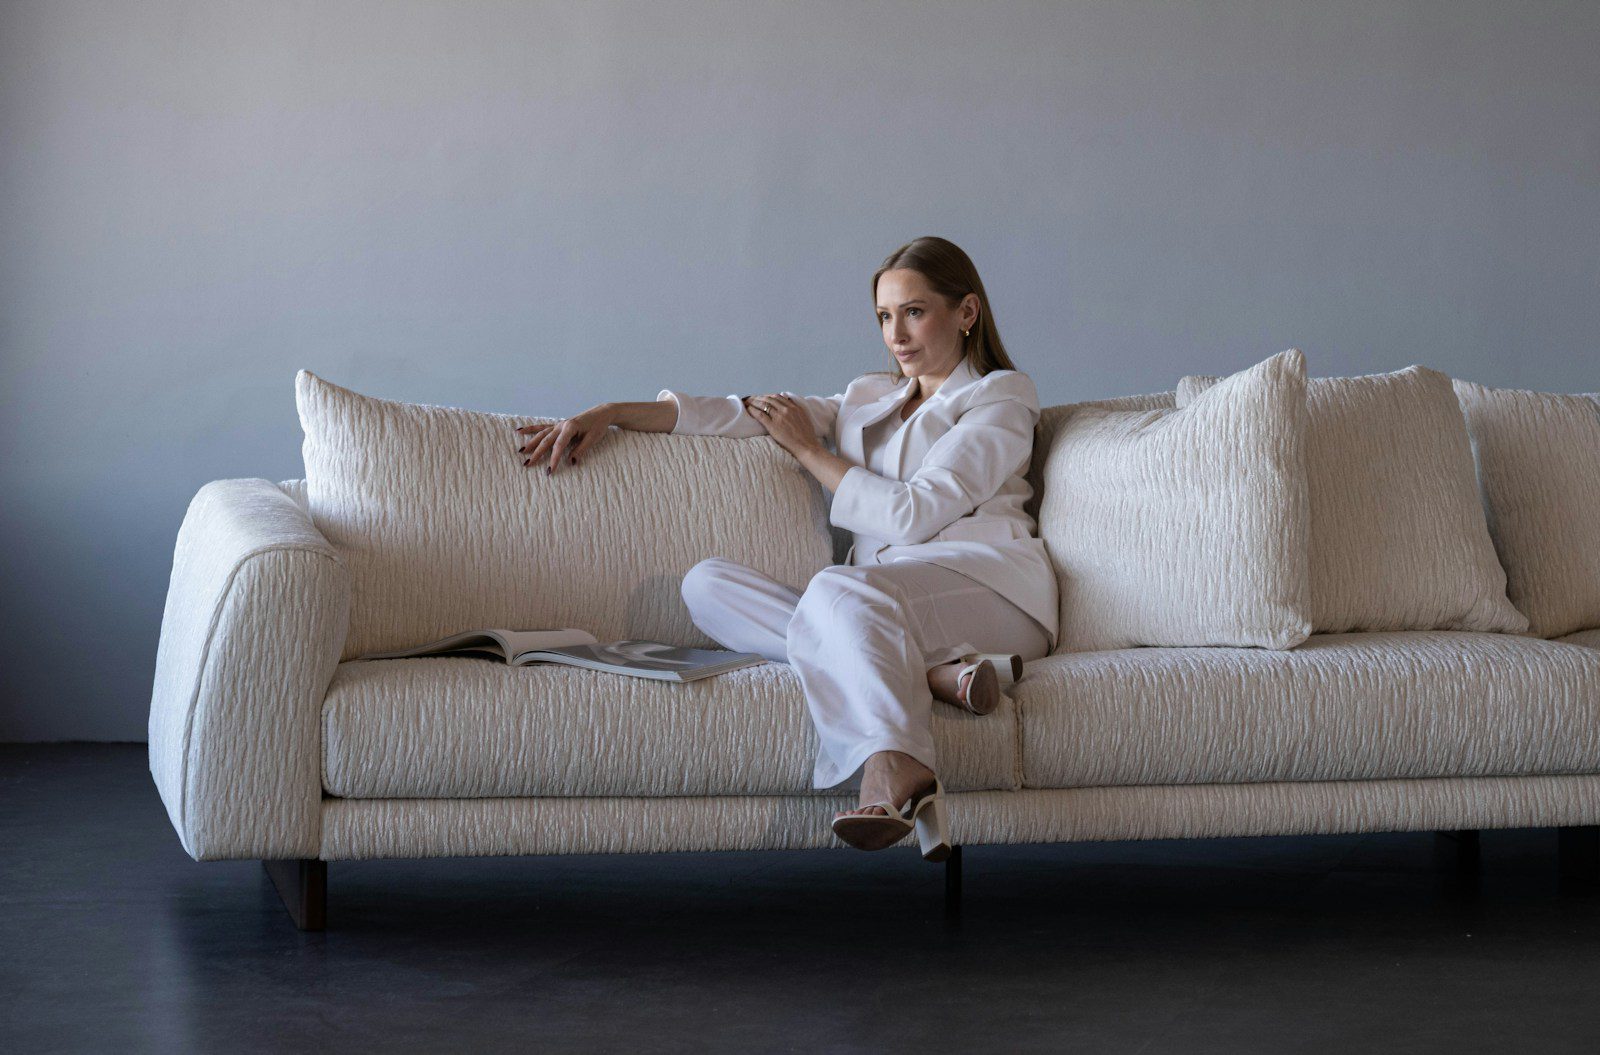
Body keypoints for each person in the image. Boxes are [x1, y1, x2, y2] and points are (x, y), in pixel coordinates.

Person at [511, 236, 1058, 860]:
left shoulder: (1002, 395)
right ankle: (931, 672)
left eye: (914, 311)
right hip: (881, 602)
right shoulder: (867, 396)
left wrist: (810, 451)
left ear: (966, 313)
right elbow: (737, 413)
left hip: (990, 590)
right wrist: (608, 412)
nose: (896, 335)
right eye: (884, 316)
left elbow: (915, 513)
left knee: (838, 589)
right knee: (706, 585)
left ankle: (893, 764)